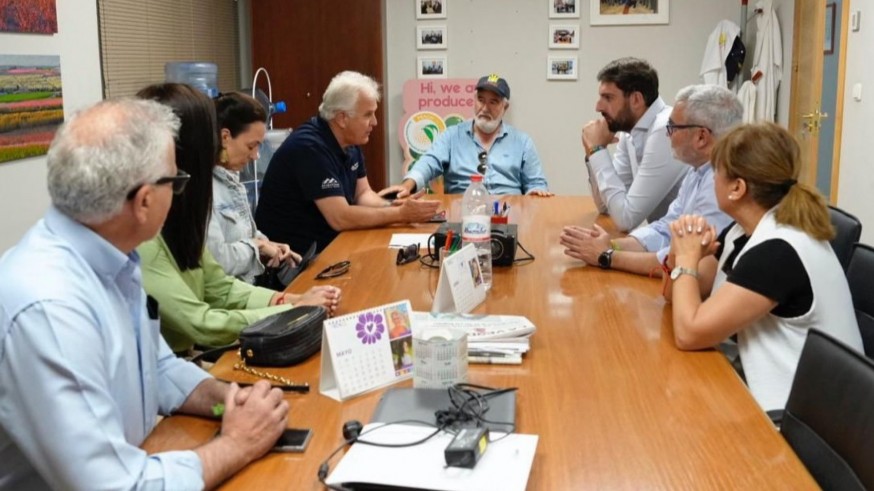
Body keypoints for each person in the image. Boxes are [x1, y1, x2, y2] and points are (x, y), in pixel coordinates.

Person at [0, 98, 288, 489]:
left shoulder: (111, 256)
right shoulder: (51, 307)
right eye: (177, 179)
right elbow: (116, 486)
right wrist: (237, 443)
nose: (182, 192)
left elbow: (158, 367)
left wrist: (228, 400)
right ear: (145, 201)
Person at [664, 123, 863, 412]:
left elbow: (689, 333)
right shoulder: (744, 230)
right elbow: (680, 295)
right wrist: (683, 252)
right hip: (770, 391)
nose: (712, 180)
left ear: (737, 188)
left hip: (805, 419)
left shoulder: (777, 251)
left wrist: (685, 260)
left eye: (716, 172)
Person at [136, 83, 341, 354]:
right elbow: (200, 323)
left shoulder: (180, 215)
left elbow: (219, 287)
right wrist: (292, 308)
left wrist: (289, 301)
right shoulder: (145, 236)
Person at [561, 85, 740, 276]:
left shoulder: (723, 183)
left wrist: (606, 255)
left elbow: (685, 261)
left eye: (672, 128)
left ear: (701, 137)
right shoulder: (698, 171)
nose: (668, 135)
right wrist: (612, 245)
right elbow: (666, 229)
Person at [255, 71, 440, 253]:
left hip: (329, 245)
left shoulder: (349, 140)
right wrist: (400, 214)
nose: (374, 122)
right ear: (342, 118)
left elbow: (363, 194)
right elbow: (340, 217)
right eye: (368, 115)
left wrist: (395, 206)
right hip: (293, 260)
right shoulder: (309, 147)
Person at [379, 74, 553, 197]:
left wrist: (535, 192)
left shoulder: (522, 142)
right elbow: (428, 162)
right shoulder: (452, 135)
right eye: (481, 99)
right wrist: (408, 185)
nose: (485, 108)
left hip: (509, 214)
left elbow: (536, 184)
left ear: (505, 108)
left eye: (493, 102)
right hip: (463, 212)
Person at [582, 57, 688, 231]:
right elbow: (607, 207)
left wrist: (597, 150)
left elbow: (626, 219)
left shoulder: (664, 130)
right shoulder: (630, 132)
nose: (598, 107)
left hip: (693, 249)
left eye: (608, 98)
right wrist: (592, 152)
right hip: (667, 241)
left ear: (636, 99)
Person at [207, 92, 300, 284]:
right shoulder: (203, 190)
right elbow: (216, 259)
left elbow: (246, 234)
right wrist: (257, 247)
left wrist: (269, 244)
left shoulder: (231, 179)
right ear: (225, 137)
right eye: (251, 146)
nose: (256, 156)